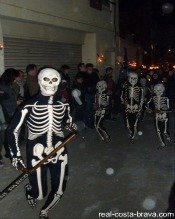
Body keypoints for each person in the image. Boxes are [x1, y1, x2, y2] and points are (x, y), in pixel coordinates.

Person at [7, 67, 76, 219]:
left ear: (58, 82)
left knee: (59, 188)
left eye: (54, 80)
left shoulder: (64, 105)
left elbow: (67, 122)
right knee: (39, 194)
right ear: (39, 81)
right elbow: (12, 131)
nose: (50, 83)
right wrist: (16, 156)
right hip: (36, 152)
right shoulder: (28, 106)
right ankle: (30, 190)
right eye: (46, 79)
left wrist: (71, 125)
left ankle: (45, 211)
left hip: (59, 150)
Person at [83, 63, 99, 128]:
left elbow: (98, 83)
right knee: (88, 108)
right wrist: (87, 88)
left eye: (91, 68)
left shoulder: (95, 74)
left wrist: (97, 91)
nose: (90, 70)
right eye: (89, 68)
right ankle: (87, 123)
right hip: (88, 94)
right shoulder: (84, 75)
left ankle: (92, 122)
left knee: (94, 109)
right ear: (86, 69)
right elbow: (83, 85)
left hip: (94, 93)